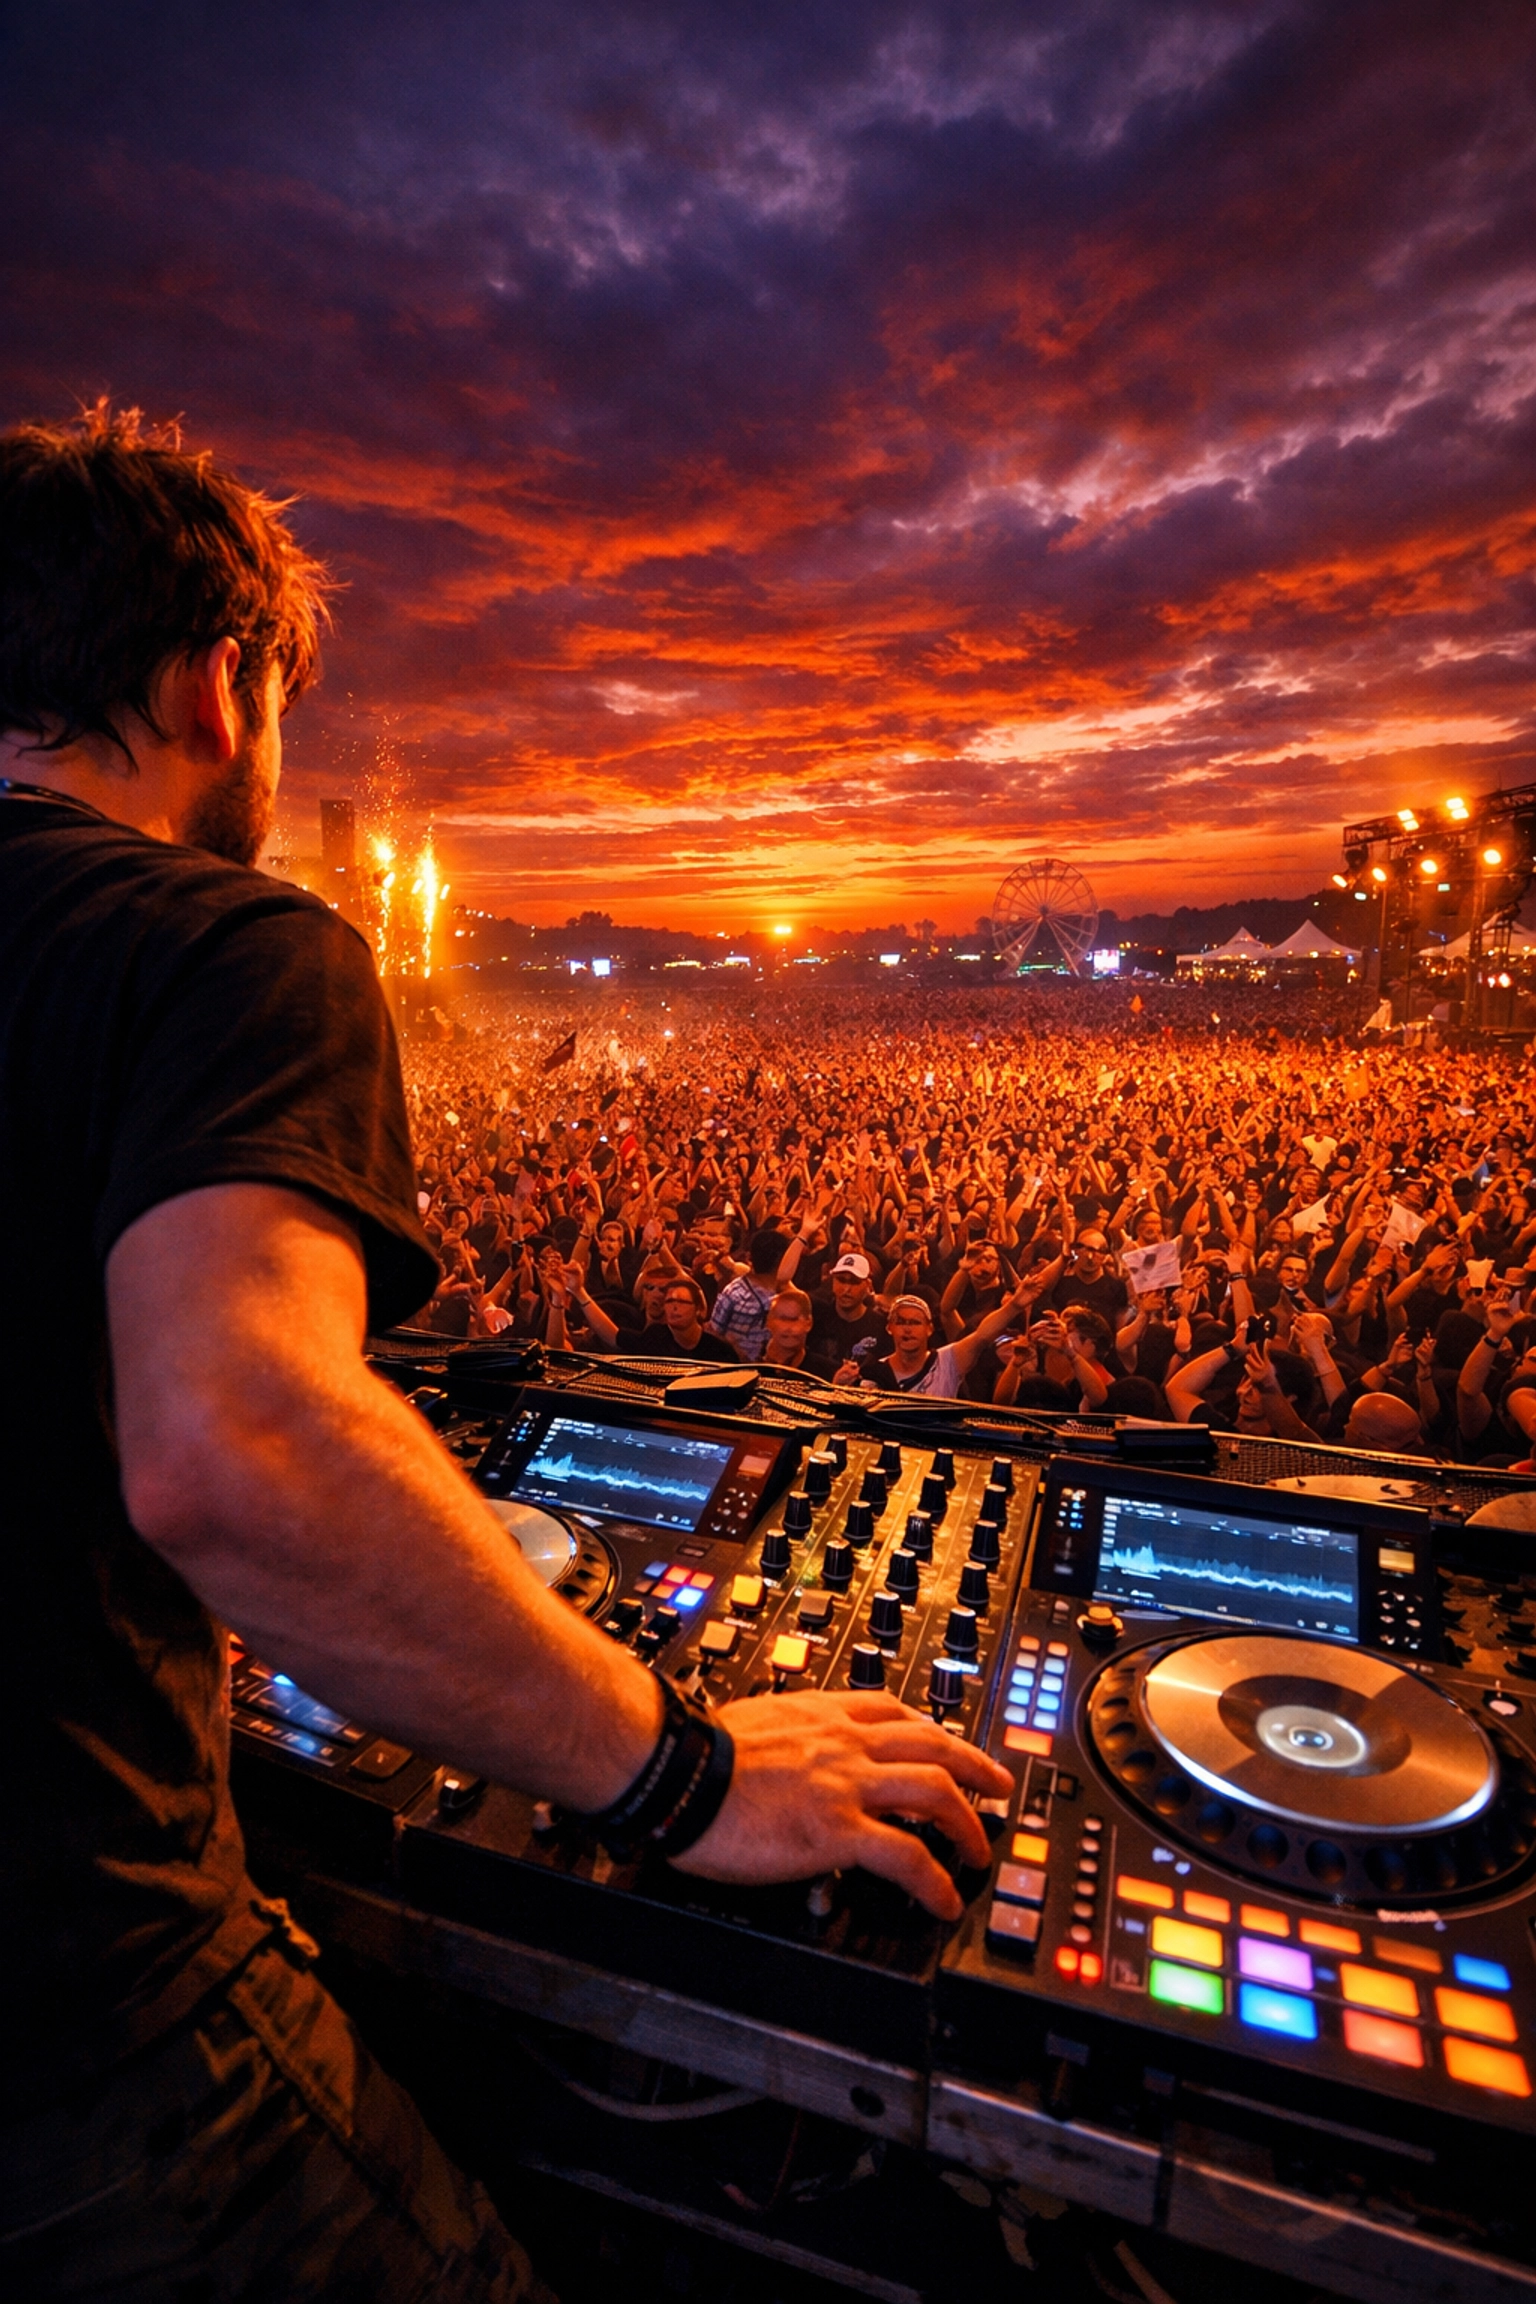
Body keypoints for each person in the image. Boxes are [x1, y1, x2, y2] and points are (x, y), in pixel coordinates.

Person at [0, 406, 1009, 2296]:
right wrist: (679, 1770)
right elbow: (235, 1445)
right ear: (217, 684)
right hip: (76, 2041)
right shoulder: (215, 942)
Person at [839, 1279, 1036, 1398]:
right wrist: (838, 1387)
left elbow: (981, 1336)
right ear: (890, 1328)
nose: (907, 1329)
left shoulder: (948, 1361)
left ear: (929, 1329)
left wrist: (1014, 1306)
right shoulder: (876, 1374)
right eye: (901, 1322)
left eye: (915, 1323)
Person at [706, 1225, 789, 1360]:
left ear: (750, 1256)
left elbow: (713, 1331)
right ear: (781, 1260)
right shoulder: (785, 1298)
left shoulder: (733, 1290)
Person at [639, 1277, 743, 1361]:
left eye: (682, 1302)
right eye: (670, 1301)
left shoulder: (719, 1349)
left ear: (697, 1309)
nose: (674, 1307)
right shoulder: (654, 1337)